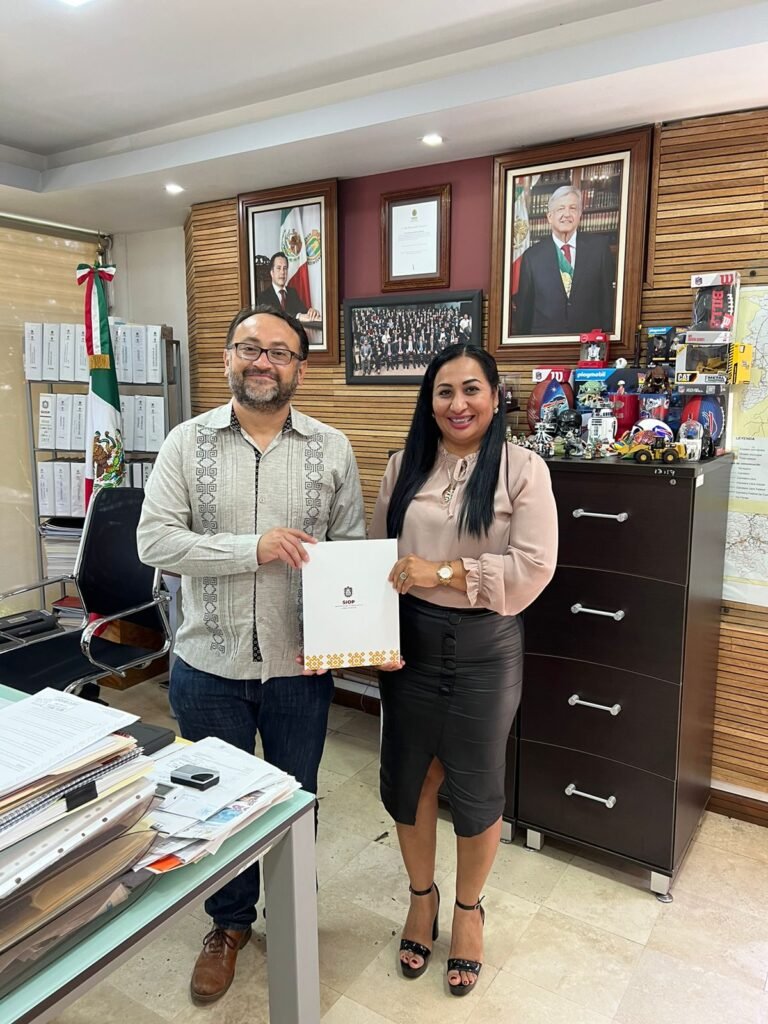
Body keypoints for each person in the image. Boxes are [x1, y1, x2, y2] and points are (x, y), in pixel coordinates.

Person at [137, 305, 364, 1005]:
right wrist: (252, 549)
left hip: (300, 669)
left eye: (279, 351)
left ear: (301, 368)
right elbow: (154, 542)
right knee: (218, 809)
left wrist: (353, 634)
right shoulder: (185, 443)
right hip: (209, 665)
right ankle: (228, 924)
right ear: (228, 357)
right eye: (249, 348)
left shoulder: (333, 449)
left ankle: (291, 914)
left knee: (296, 800)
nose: (263, 361)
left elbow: (350, 553)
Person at [370, 343, 557, 996]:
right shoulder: (404, 466)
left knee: (476, 787)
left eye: (472, 389)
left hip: (484, 647)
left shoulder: (523, 470)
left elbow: (533, 567)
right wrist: (368, 629)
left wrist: (443, 572)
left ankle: (468, 910)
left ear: (495, 396)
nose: (458, 403)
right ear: (430, 403)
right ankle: (421, 898)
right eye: (444, 391)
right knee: (411, 778)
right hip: (411, 643)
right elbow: (378, 559)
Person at [513, 185, 615, 335]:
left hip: (589, 341)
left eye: (573, 208)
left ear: (580, 215)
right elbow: (524, 311)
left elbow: (607, 302)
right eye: (560, 209)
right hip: (545, 341)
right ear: (550, 217)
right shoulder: (532, 256)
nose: (567, 214)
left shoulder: (599, 249)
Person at [256, 252, 321, 323]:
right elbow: (276, 317)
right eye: (278, 268)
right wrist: (298, 316)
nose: (282, 272)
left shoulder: (292, 292)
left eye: (285, 268)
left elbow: (303, 312)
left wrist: (311, 312)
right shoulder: (263, 297)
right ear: (272, 272)